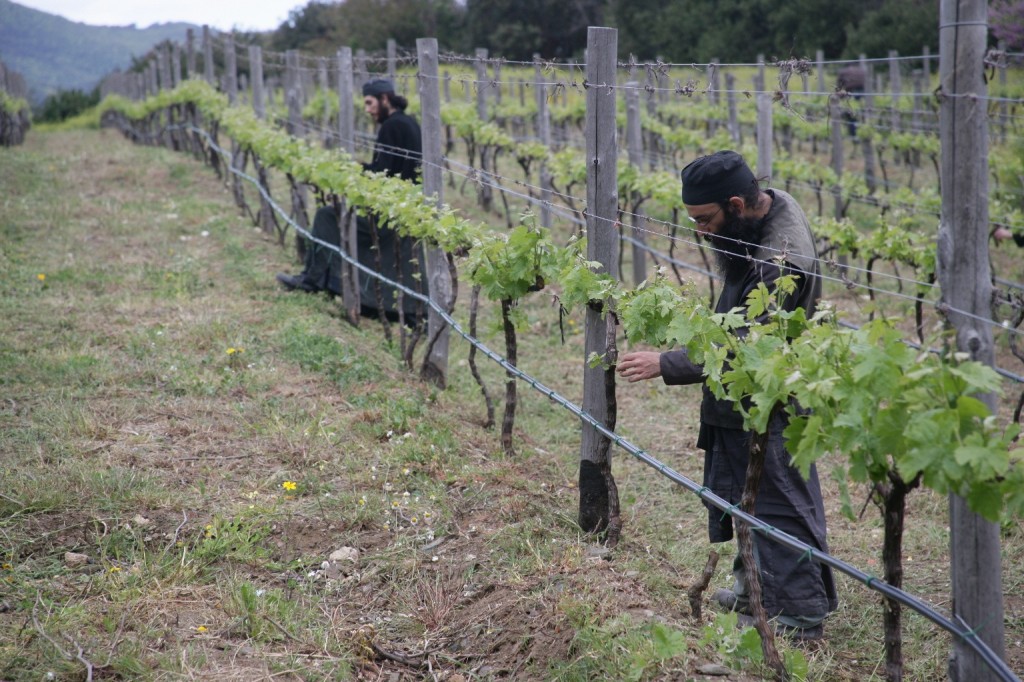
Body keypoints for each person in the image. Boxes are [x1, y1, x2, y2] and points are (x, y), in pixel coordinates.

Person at [617, 151, 838, 640]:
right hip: (744, 398)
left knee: (778, 504)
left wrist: (666, 362)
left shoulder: (779, 264)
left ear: (736, 204)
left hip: (770, 397)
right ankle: (753, 590)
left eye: (704, 219)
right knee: (746, 494)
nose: (699, 231)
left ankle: (798, 616)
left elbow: (747, 348)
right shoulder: (768, 209)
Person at [276, 78, 427, 324]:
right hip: (405, 209)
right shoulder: (409, 123)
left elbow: (383, 174)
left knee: (327, 216)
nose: (367, 109)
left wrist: (352, 172)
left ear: (384, 99)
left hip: (390, 213)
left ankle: (313, 280)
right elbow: (391, 171)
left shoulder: (391, 126)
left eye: (369, 103)